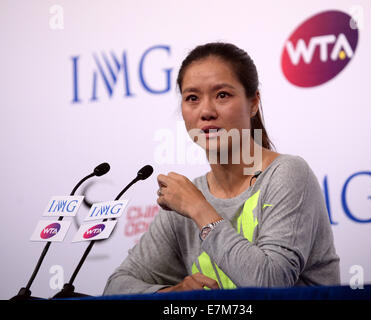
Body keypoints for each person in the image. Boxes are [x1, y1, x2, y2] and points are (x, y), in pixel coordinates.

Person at [103, 42, 340, 295]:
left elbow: (272, 284)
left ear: (253, 102)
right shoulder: (185, 200)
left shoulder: (288, 173)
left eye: (222, 95)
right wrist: (171, 293)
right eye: (192, 98)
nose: (206, 111)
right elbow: (116, 287)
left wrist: (199, 209)